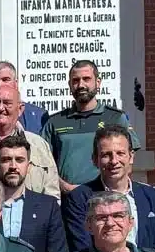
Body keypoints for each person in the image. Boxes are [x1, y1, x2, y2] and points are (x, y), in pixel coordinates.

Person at [62, 124, 155, 252]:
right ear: (95, 160)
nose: (114, 161)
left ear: (131, 157)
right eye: (106, 155)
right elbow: (82, 248)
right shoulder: (79, 198)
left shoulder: (153, 197)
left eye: (120, 153)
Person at [40, 60, 139, 192]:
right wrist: (65, 187)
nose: (81, 85)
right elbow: (43, 164)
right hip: (67, 199)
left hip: (107, 197)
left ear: (98, 83)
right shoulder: (55, 122)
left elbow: (129, 161)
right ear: (70, 85)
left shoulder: (115, 118)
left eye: (86, 79)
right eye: (75, 80)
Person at [0, 85, 60, 198]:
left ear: (20, 109)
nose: (0, 108)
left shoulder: (38, 144)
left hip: (28, 214)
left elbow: (52, 192)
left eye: (7, 103)